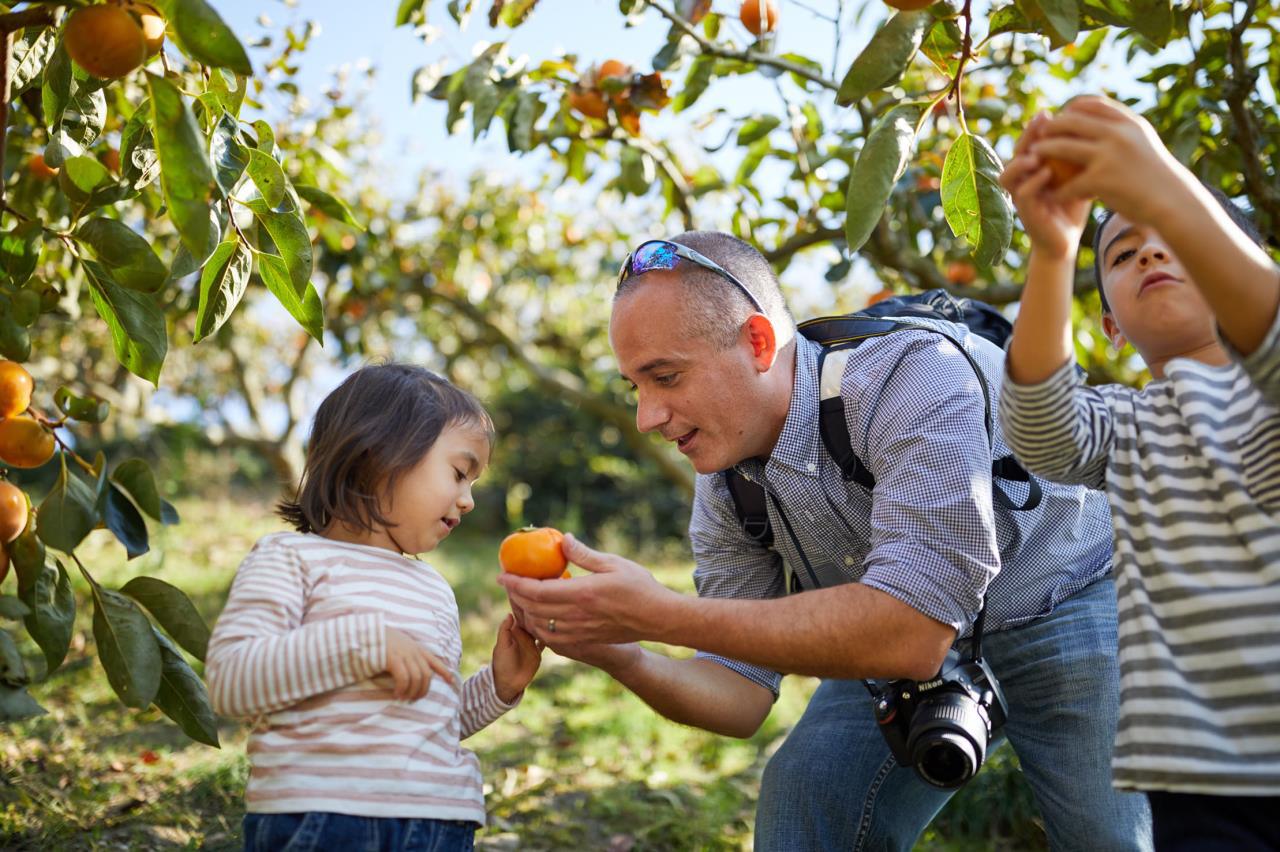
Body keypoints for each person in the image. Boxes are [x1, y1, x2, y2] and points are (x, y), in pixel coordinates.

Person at [500, 232, 1152, 849]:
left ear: (758, 342)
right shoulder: (727, 480)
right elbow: (739, 694)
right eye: (634, 387)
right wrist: (624, 651)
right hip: (900, 632)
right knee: (804, 798)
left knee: (1108, 838)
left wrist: (660, 612)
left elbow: (909, 632)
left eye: (665, 377)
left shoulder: (910, 376)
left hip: (1067, 594)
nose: (647, 417)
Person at [998, 95, 1280, 850]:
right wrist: (1053, 251)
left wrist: (1158, 183)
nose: (1150, 253)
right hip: (1198, 770)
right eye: (1122, 254)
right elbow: (1040, 429)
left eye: (1176, 241)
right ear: (1111, 325)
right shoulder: (1130, 421)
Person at [206, 364, 542, 851]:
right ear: (379, 455)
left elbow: (429, 720)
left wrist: (499, 687)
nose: (467, 501)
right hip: (325, 817)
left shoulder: (432, 587)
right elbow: (232, 683)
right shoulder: (291, 558)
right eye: (458, 473)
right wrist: (360, 643)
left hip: (439, 822)